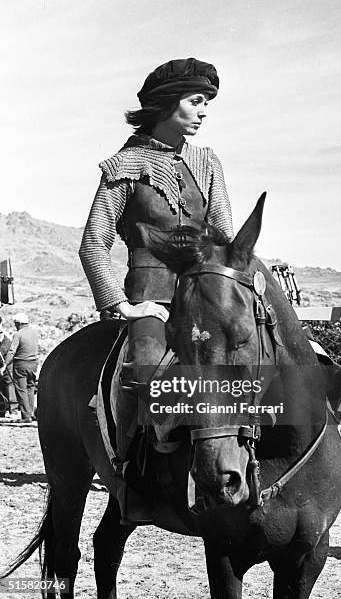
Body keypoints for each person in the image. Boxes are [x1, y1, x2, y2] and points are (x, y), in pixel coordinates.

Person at [79, 57, 233, 524]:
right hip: (153, 294)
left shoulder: (207, 161)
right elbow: (94, 244)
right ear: (168, 105)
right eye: (196, 102)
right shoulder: (123, 166)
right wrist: (120, 304)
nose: (204, 112)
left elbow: (223, 233)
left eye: (206, 103)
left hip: (206, 291)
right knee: (144, 369)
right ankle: (129, 479)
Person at [4, 313, 39, 423]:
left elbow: (12, 351)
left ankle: (25, 416)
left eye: (15, 324)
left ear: (18, 323)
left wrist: (5, 364)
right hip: (33, 363)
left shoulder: (18, 334)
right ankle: (31, 413)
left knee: (21, 389)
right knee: (30, 388)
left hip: (21, 364)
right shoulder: (34, 332)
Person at [0, 321, 19, 419]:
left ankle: (13, 409)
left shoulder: (6, 342)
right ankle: (4, 409)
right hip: (2, 366)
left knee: (9, 385)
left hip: (7, 367)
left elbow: (5, 352)